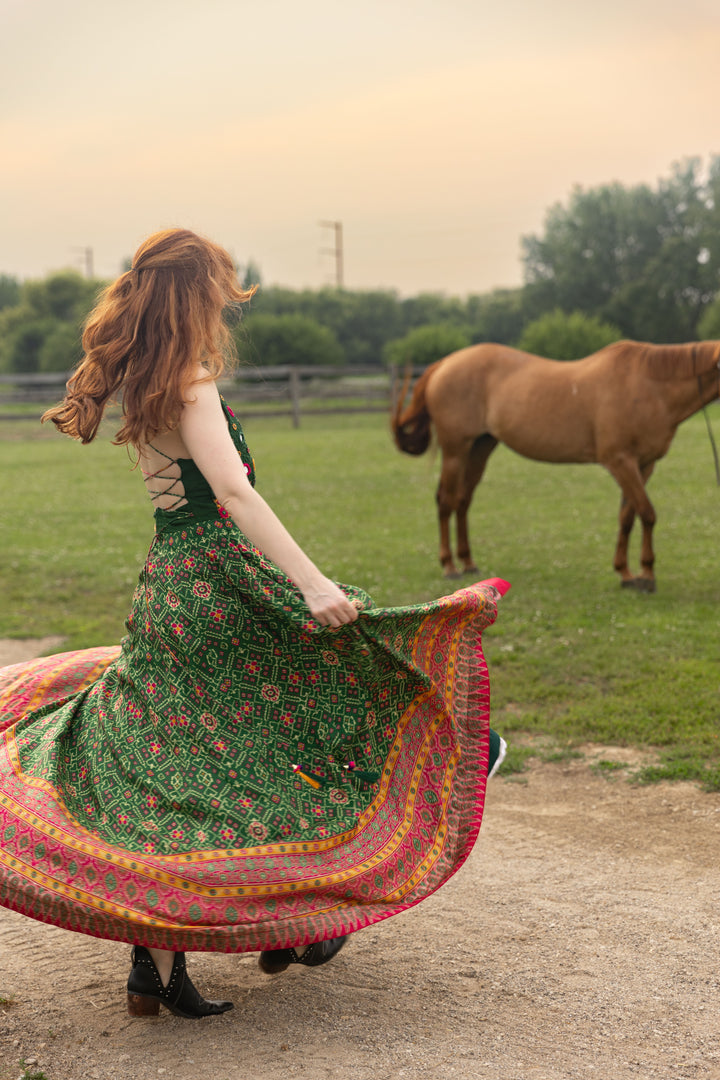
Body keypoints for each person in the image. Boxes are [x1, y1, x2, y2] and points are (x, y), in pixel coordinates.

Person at [0, 228, 508, 1020]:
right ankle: (306, 911)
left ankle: (158, 964)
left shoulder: (142, 382)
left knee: (177, 760)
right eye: (217, 290)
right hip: (221, 579)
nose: (223, 305)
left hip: (170, 586)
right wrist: (311, 585)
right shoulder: (191, 385)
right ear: (195, 296)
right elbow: (234, 497)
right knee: (312, 712)